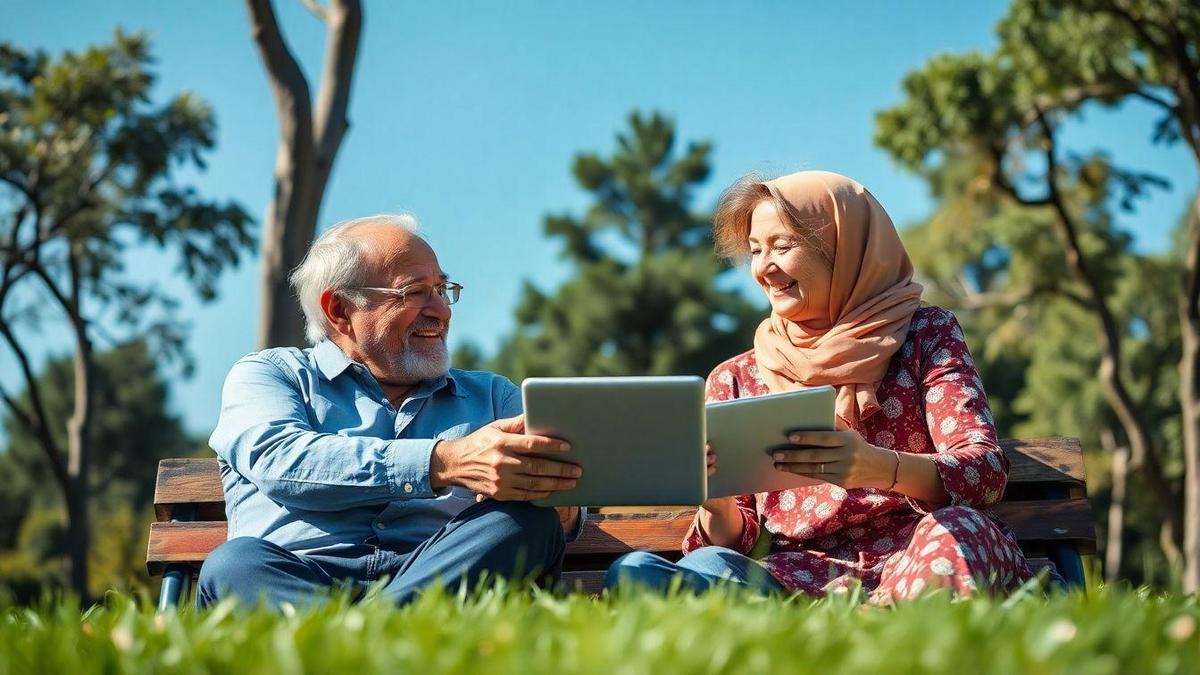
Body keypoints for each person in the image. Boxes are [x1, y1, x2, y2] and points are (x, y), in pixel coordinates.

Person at [607, 171, 1032, 602]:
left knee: (963, 531)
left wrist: (877, 467)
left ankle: (876, 629)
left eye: (782, 246)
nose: (763, 268)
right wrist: (710, 496)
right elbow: (734, 541)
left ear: (842, 248)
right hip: (794, 580)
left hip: (919, 554)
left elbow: (984, 472)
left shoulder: (926, 333)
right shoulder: (736, 377)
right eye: (755, 250)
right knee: (648, 570)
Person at [197, 214, 584, 609]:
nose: (441, 311)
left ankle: (355, 637)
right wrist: (444, 461)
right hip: (299, 581)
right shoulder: (269, 374)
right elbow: (283, 462)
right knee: (235, 564)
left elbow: (556, 510)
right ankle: (391, 629)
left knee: (526, 521)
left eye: (441, 289)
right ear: (340, 309)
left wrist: (555, 498)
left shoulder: (495, 395)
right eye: (414, 293)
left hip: (444, 576)